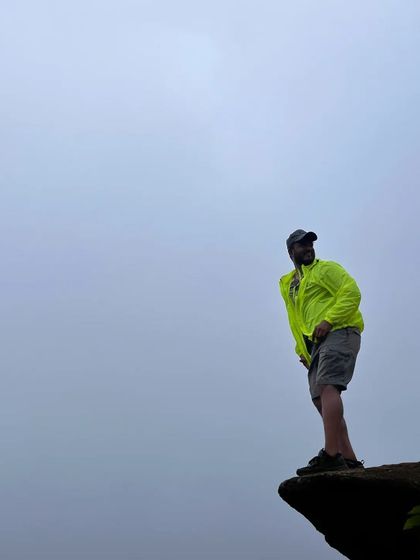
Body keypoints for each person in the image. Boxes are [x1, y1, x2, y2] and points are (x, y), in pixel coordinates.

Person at [279, 229, 365, 476]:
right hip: (316, 344)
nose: (308, 248)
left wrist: (329, 319)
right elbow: (296, 318)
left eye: (310, 244)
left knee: (328, 386)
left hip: (340, 330)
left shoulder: (326, 269)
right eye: (301, 245)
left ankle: (331, 454)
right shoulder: (290, 284)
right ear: (290, 251)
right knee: (319, 398)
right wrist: (304, 351)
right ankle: (348, 458)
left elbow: (351, 292)